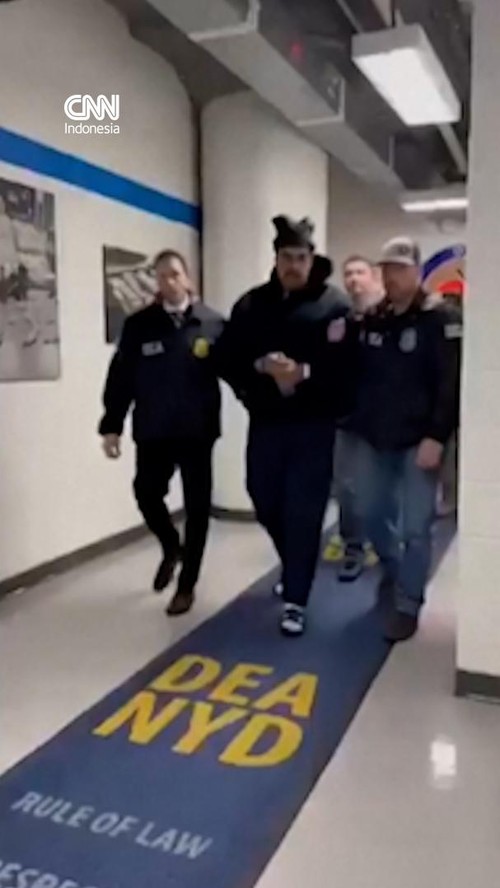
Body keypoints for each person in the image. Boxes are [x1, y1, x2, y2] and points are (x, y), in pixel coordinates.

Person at [216, 215, 351, 637]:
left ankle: (296, 599)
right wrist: (260, 367)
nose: (294, 265)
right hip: (268, 422)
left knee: (304, 512)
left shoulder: (334, 306)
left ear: (312, 259)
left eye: (301, 258)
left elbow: (348, 369)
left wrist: (303, 373)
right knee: (264, 498)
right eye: (286, 257)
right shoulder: (251, 305)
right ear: (275, 259)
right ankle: (294, 564)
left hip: (314, 425)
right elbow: (226, 358)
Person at [99, 249, 224, 617]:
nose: (168, 281)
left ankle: (186, 586)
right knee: (146, 493)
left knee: (198, 509)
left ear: (187, 277)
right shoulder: (139, 325)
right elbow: (121, 377)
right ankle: (171, 545)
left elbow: (236, 369)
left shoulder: (212, 323)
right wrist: (112, 425)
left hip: (197, 432)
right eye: (161, 275)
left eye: (174, 274)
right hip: (154, 429)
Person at [350, 237, 461, 643]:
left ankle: (408, 603)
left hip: (420, 440)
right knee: (368, 512)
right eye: (387, 269)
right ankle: (394, 567)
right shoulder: (374, 318)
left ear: (416, 271)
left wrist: (437, 436)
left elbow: (450, 384)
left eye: (399, 269)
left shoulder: (439, 318)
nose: (391, 277)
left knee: (416, 527)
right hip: (375, 436)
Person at [324, 255, 384, 580]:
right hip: (348, 418)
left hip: (385, 420)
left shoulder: (389, 318)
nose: (353, 279)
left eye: (360, 272)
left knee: (384, 487)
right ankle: (354, 548)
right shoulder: (339, 321)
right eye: (348, 274)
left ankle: (384, 544)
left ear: (374, 277)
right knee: (347, 488)